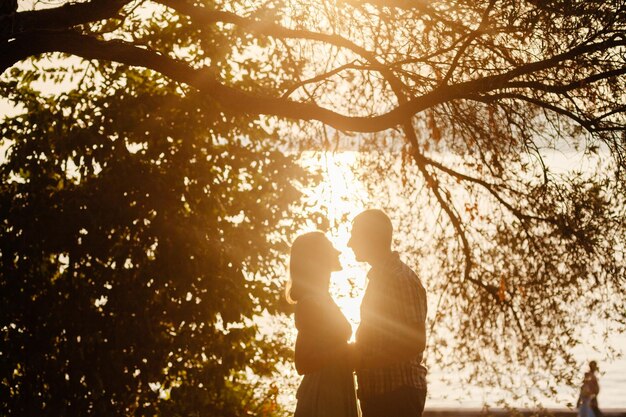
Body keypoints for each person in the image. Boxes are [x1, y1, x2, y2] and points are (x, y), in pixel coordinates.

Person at [348, 209, 428, 417]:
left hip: (396, 396)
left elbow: (415, 341)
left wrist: (364, 360)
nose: (350, 243)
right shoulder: (382, 278)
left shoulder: (399, 279)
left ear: (370, 237)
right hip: (381, 393)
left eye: (354, 235)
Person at [288, 231, 360, 417]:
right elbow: (302, 362)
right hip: (323, 398)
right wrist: (346, 351)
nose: (338, 252)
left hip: (335, 389)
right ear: (317, 258)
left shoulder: (322, 298)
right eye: (330, 247)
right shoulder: (310, 302)